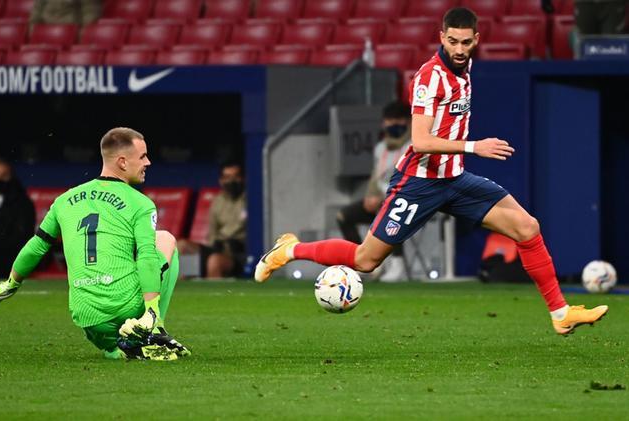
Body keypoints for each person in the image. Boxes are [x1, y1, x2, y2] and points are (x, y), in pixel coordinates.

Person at [254, 7, 608, 335]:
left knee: (527, 226)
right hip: (418, 183)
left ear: (476, 40)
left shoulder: (464, 66)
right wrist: (475, 147)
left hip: (454, 179)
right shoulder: (429, 78)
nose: (458, 48)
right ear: (441, 37)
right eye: (452, 41)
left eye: (465, 42)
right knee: (366, 260)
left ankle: (560, 314)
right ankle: (290, 250)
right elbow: (421, 141)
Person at [0, 128, 190, 361]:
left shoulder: (64, 201)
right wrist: (151, 311)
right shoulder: (141, 203)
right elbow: (146, 257)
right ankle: (153, 330)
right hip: (126, 307)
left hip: (87, 316)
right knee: (164, 239)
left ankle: (117, 350)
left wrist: (10, 283)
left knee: (111, 344)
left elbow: (37, 246)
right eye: (143, 156)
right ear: (122, 162)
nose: (148, 162)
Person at [336, 101, 411, 281]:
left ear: (408, 122)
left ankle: (396, 264)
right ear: (383, 123)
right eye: (390, 120)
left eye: (399, 120)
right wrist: (371, 196)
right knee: (343, 216)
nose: (394, 125)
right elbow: (376, 177)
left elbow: (409, 179)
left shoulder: (413, 146)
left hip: (406, 202)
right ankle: (361, 259)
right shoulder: (380, 148)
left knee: (393, 208)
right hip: (380, 200)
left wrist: (383, 198)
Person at [204, 161, 247, 278]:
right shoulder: (218, 201)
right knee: (182, 247)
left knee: (215, 260)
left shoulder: (249, 199)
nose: (232, 181)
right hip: (218, 247)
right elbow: (212, 232)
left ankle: (213, 295)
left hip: (238, 252)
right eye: (227, 177)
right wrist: (213, 244)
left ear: (243, 178)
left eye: (236, 177)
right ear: (221, 180)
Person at [29, 0, 102, 28]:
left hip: (71, 36)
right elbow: (35, 15)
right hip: (44, 37)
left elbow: (90, 15)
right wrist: (34, 34)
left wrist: (79, 37)